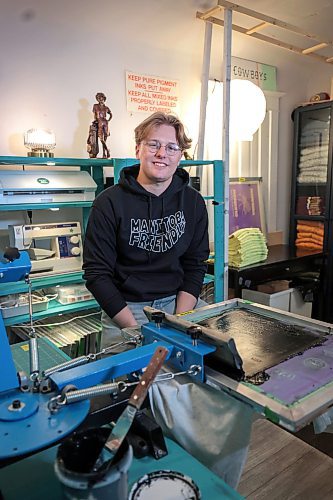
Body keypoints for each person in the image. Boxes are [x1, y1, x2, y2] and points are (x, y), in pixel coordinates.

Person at [83, 111, 209, 351]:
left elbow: (196, 264)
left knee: (214, 366)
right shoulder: (108, 202)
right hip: (125, 309)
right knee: (126, 383)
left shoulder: (193, 202)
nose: (162, 153)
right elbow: (96, 274)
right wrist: (136, 332)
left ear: (180, 156)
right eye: (154, 144)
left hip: (178, 303)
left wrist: (180, 323)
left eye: (172, 147)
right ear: (138, 149)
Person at [91, 92, 112, 158]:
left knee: (105, 138)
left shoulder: (106, 107)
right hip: (99, 122)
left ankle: (104, 154)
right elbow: (94, 114)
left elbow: (111, 114)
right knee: (101, 139)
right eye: (98, 98)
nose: (100, 99)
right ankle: (107, 150)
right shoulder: (95, 106)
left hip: (105, 123)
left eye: (101, 98)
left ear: (104, 98)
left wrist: (108, 120)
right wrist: (95, 120)